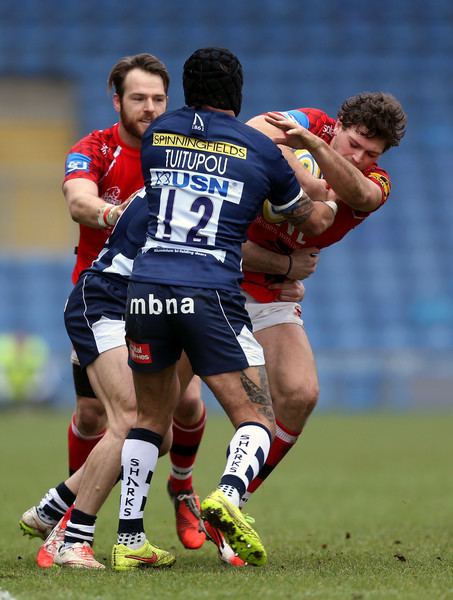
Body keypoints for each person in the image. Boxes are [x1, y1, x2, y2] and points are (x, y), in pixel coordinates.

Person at [111, 46, 317, 571]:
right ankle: (227, 493)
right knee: (258, 418)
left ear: (185, 89)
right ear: (239, 93)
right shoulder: (259, 150)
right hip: (210, 290)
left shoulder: (158, 136)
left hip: (148, 286)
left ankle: (129, 538)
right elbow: (305, 217)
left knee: (149, 420)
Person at [19, 53, 208, 567]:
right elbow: (79, 201)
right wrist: (117, 212)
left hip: (158, 303)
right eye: (139, 98)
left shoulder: (183, 153)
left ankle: (67, 512)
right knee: (100, 415)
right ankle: (70, 526)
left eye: (158, 99)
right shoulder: (94, 148)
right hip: (101, 296)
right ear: (117, 99)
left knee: (173, 418)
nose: (149, 108)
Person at [237, 93, 407, 507]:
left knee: (301, 394)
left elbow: (362, 196)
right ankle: (179, 486)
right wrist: (309, 181)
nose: (359, 157)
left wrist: (312, 148)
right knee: (176, 411)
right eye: (353, 143)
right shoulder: (311, 121)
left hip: (270, 292)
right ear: (340, 123)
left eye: (371, 153)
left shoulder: (375, 182)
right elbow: (253, 130)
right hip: (218, 275)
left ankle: (235, 499)